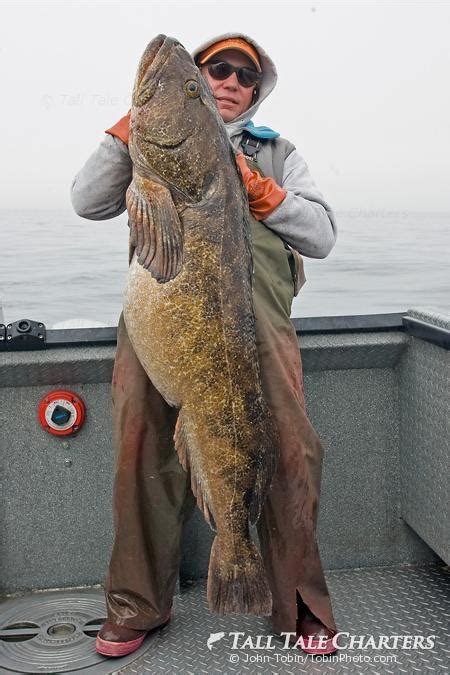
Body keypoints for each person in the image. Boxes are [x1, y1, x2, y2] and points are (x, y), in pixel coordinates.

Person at [70, 32, 339, 658]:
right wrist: (129, 129)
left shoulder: (277, 154)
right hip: (162, 324)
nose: (229, 82)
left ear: (255, 92)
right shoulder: (145, 148)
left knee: (291, 452)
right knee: (141, 451)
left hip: (257, 328)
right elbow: (87, 201)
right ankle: (136, 605)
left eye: (245, 76)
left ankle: (298, 605)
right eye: (213, 70)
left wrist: (265, 193)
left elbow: (323, 235)